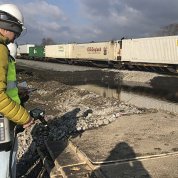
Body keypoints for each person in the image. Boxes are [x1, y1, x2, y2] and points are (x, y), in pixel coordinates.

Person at [0, 4, 34, 178]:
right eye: (17, 32)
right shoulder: (0, 49)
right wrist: (24, 117)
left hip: (7, 115)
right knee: (3, 167)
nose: (15, 38)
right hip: (3, 119)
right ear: (9, 27)